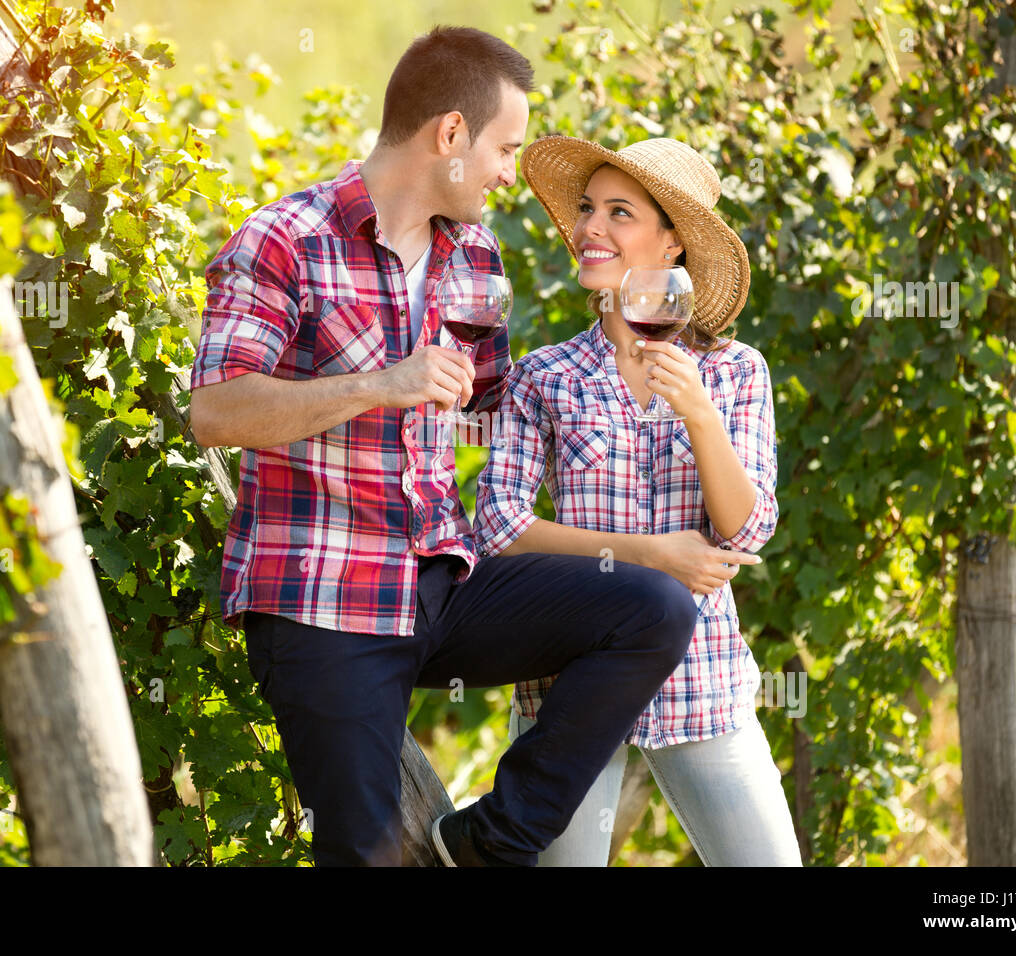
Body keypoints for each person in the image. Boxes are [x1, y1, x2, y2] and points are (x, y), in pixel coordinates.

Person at [188, 28, 699, 867]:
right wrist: (381, 384)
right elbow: (216, 410)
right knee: (366, 856)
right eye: (504, 147)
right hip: (325, 597)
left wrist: (624, 367)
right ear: (450, 135)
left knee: (650, 609)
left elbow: (489, 408)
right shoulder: (284, 239)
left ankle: (494, 841)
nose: (510, 172)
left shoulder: (476, 256)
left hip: (440, 579)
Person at [475, 136, 803, 866]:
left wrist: (700, 416)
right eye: (589, 208)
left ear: (673, 243)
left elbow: (746, 528)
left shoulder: (732, 373)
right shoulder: (544, 377)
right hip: (569, 686)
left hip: (702, 680)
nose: (591, 227)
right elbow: (497, 526)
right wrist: (649, 556)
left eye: (620, 212)